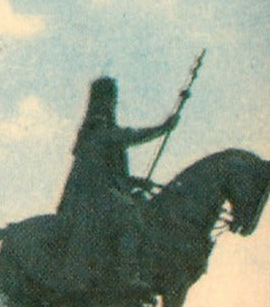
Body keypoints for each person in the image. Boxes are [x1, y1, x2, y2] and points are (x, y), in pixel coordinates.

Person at [56, 76, 179, 293]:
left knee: (141, 204)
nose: (114, 103)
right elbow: (131, 136)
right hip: (91, 195)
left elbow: (110, 172)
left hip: (103, 190)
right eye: (111, 99)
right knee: (130, 214)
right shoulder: (98, 129)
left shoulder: (101, 129)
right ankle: (126, 274)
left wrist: (138, 182)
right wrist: (164, 127)